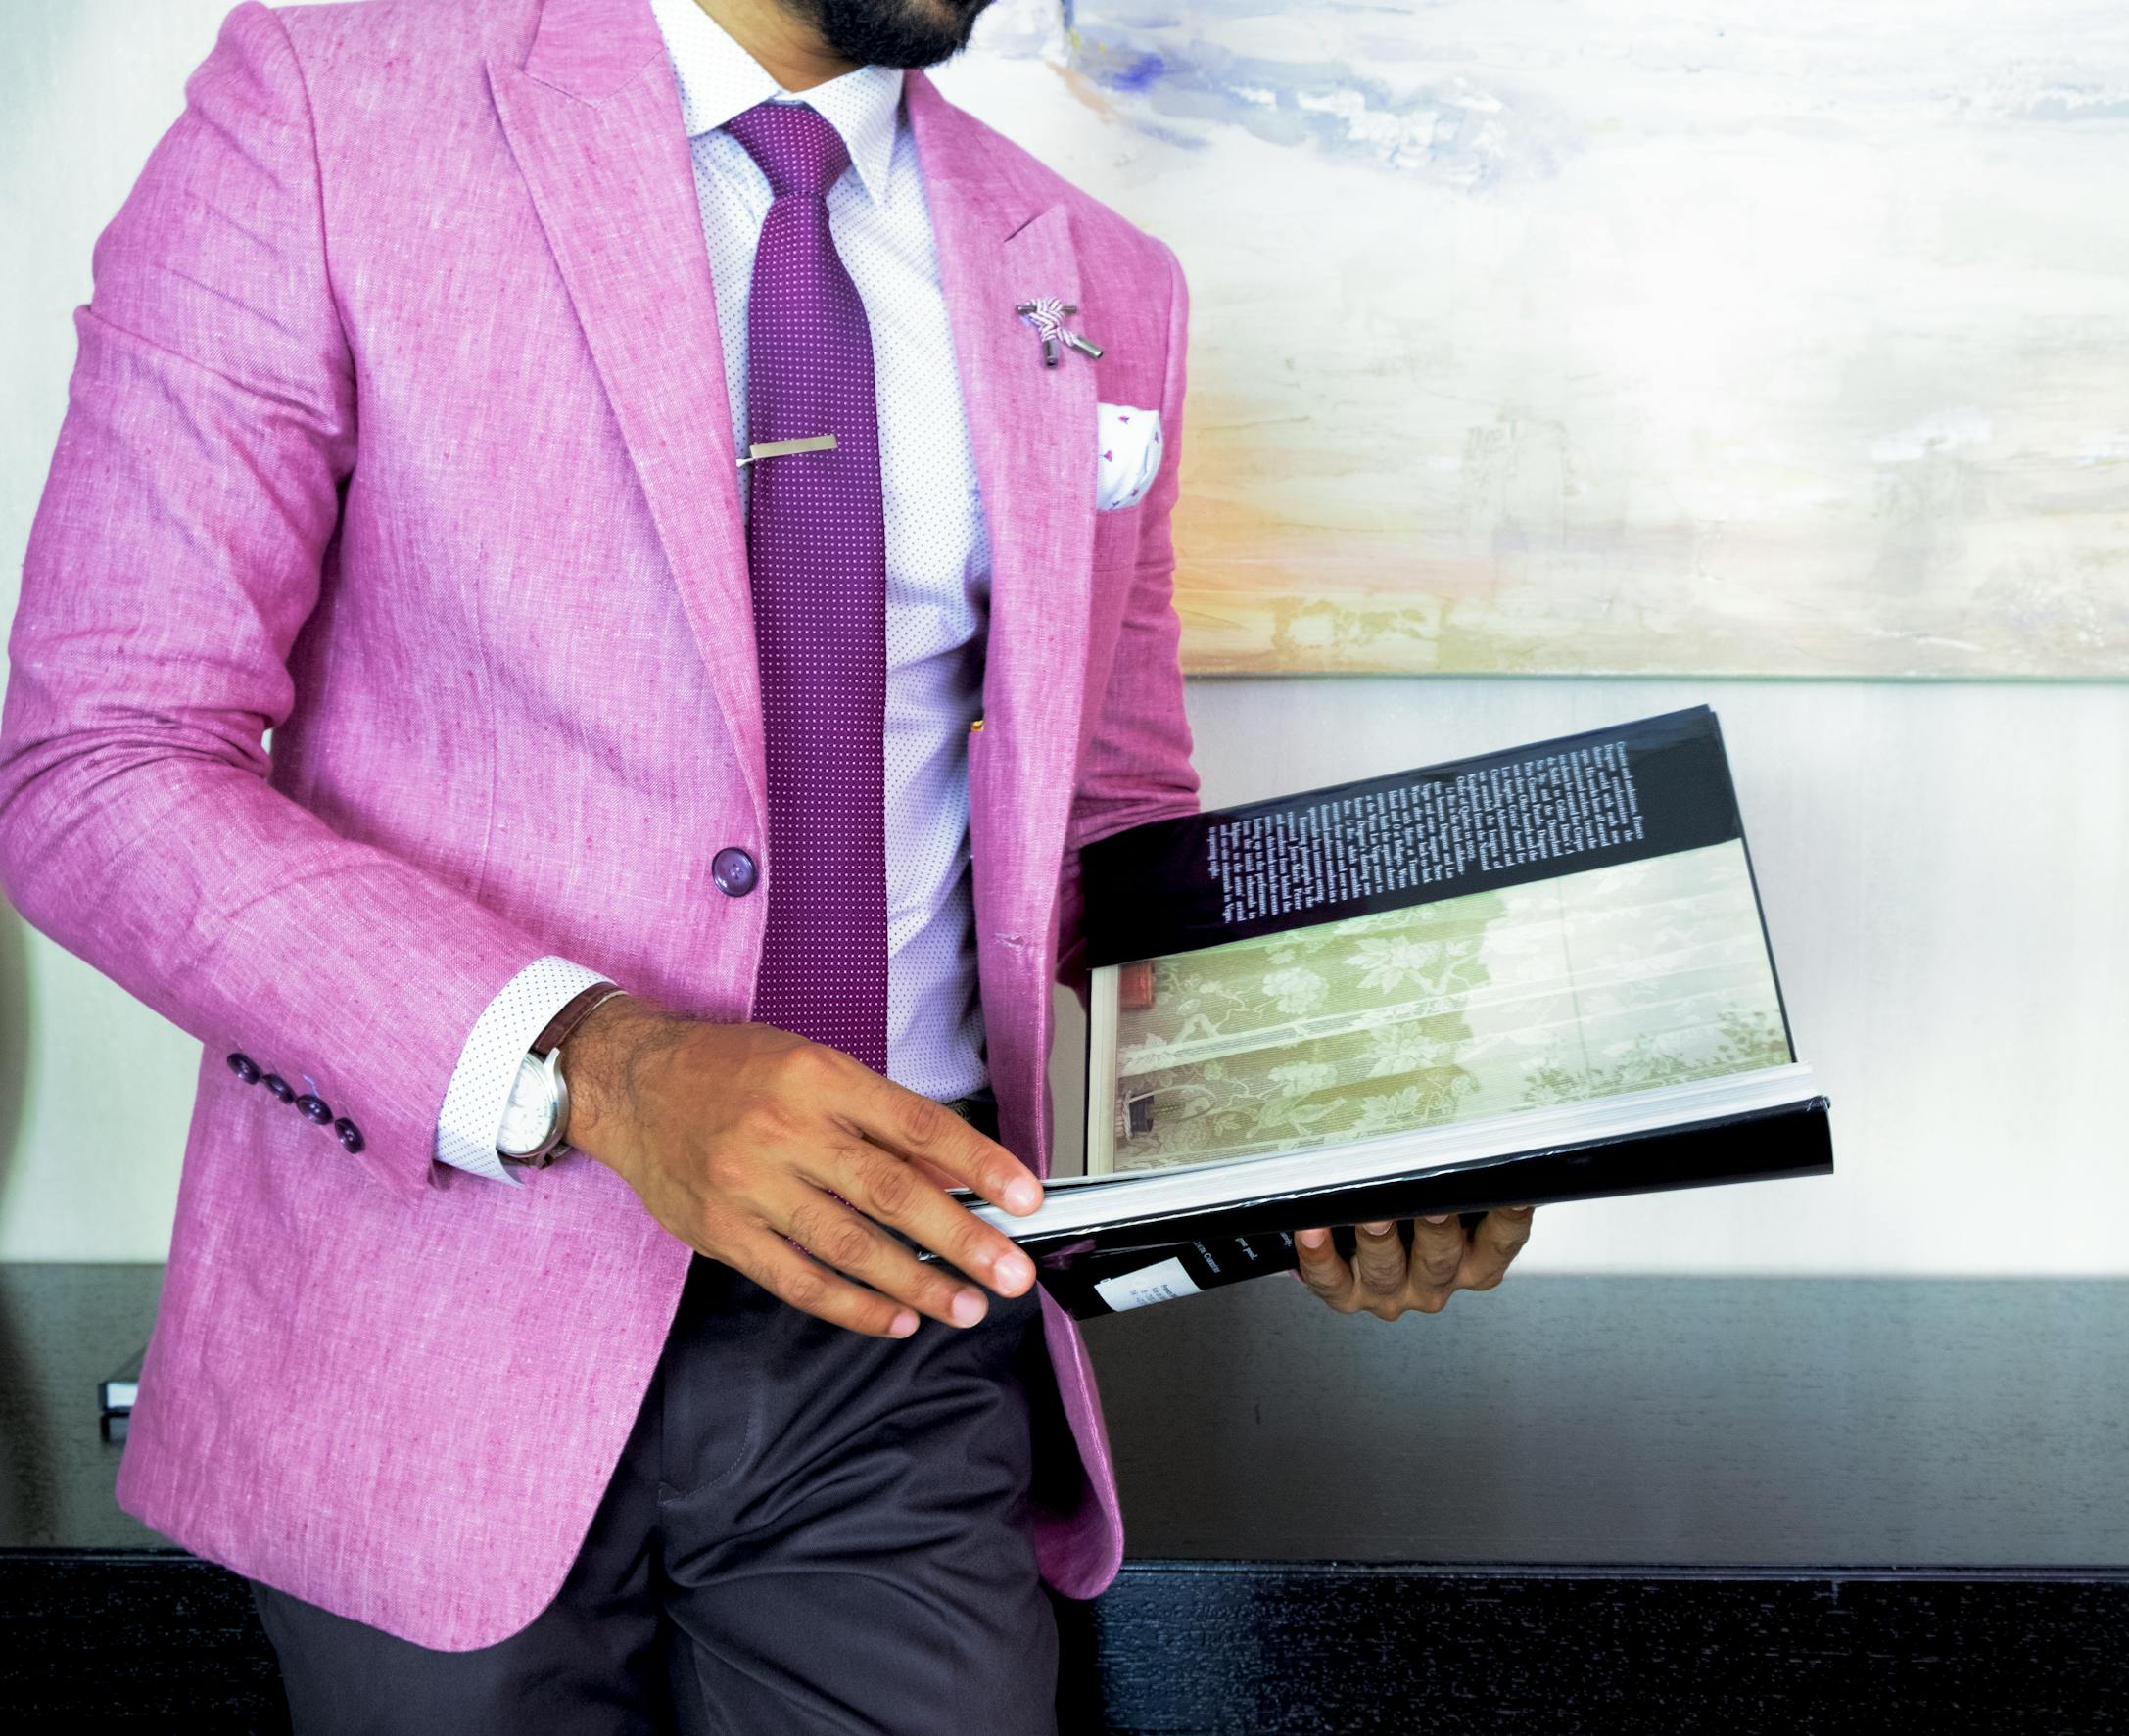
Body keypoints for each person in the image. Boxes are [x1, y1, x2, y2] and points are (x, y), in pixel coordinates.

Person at [0, 0, 1535, 1726]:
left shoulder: (1101, 278)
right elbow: (103, 761)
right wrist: (604, 1066)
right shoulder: (325, 104)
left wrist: (1321, 1126)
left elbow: (1108, 825)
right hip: (424, 1325)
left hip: (902, 1325)